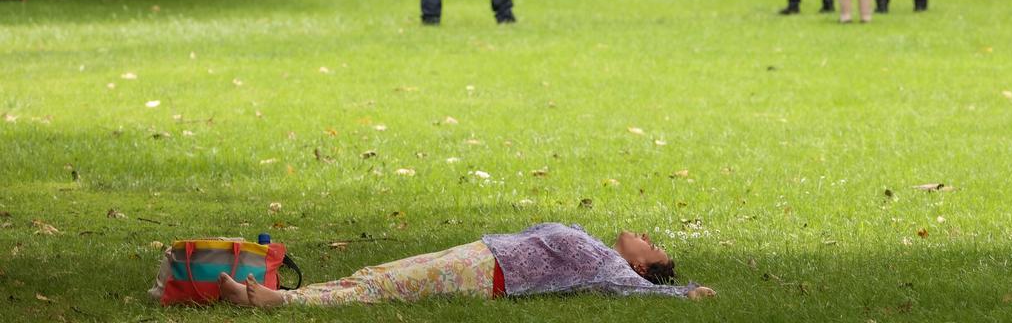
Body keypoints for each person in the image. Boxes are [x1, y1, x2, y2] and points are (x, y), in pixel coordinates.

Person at [215, 223, 715, 308]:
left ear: (643, 269)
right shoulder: (604, 253)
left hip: (485, 275)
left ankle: (278, 299)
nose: (648, 240)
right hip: (478, 254)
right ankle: (284, 293)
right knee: (378, 275)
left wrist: (684, 292)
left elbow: (639, 294)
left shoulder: (615, 272)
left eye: (655, 249)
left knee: (385, 289)